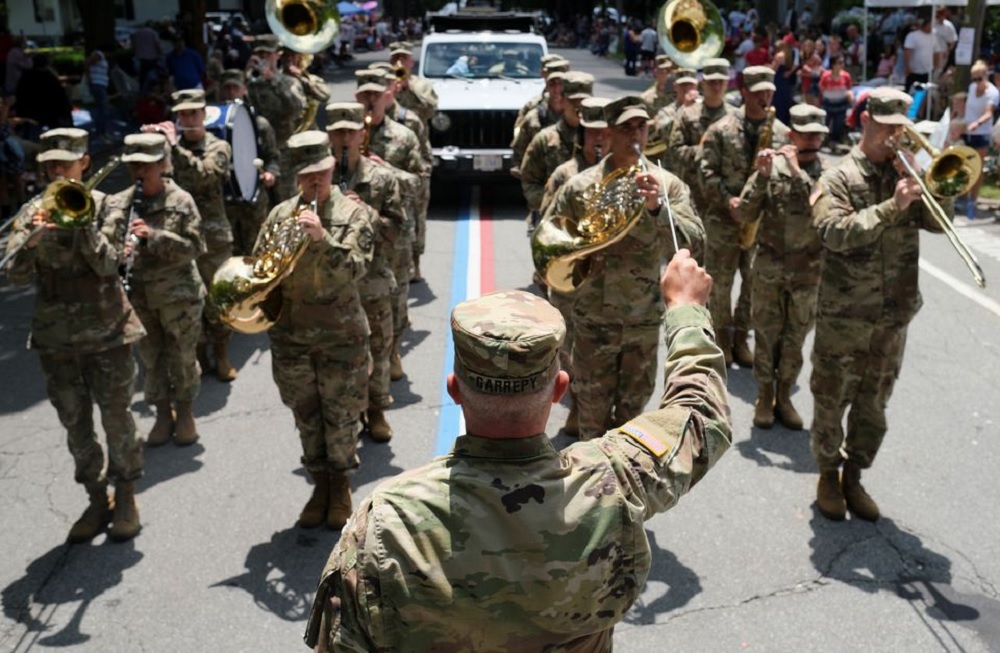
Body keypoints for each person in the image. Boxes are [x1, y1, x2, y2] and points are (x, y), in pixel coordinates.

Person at [304, 253, 732, 651]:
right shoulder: (614, 483)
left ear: (454, 390)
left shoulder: (384, 524)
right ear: (559, 390)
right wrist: (684, 307)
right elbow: (701, 413)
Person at [810, 87, 952, 522]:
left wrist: (938, 183)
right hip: (845, 317)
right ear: (867, 121)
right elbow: (833, 232)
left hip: (893, 316)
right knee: (832, 401)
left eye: (902, 128)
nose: (896, 135)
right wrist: (893, 206)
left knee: (874, 404)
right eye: (888, 125)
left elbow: (937, 224)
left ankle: (855, 474)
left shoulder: (904, 173)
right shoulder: (837, 178)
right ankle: (827, 475)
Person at [4, 128, 146, 542]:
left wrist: (81, 225)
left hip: (108, 334)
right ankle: (96, 496)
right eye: (50, 165)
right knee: (75, 423)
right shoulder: (34, 211)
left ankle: (126, 494)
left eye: (64, 163)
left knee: (117, 419)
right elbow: (14, 275)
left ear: (84, 162)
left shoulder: (110, 204)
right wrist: (33, 240)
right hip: (57, 340)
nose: (56, 171)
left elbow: (108, 265)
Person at [539, 96, 705, 440]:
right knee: (591, 414)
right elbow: (549, 243)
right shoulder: (580, 186)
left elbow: (694, 242)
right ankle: (592, 488)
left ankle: (621, 489)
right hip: (593, 318)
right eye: (625, 127)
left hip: (642, 318)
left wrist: (657, 208)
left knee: (632, 415)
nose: (635, 134)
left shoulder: (668, 185)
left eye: (641, 127)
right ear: (608, 133)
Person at [260, 131, 375, 529]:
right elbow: (262, 272)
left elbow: (358, 268)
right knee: (307, 416)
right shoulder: (279, 216)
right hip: (292, 338)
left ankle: (341, 485)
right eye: (306, 175)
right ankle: (319, 484)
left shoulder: (354, 214)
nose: (314, 182)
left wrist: (323, 239)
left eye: (321, 173)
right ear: (296, 177)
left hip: (341, 338)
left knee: (341, 417)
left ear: (331, 168)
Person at [106, 132, 206, 448]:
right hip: (138, 295)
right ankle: (163, 414)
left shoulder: (180, 200)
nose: (140, 172)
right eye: (134, 165)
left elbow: (195, 247)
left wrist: (154, 236)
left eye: (146, 165)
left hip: (180, 296)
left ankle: (186, 412)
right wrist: (115, 252)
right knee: (151, 358)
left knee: (182, 356)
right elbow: (104, 248)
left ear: (162, 164)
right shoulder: (118, 204)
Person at [735, 104, 827, 429]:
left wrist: (794, 168)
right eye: (806, 134)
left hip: (807, 274)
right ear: (792, 135)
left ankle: (784, 397)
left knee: (795, 339)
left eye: (818, 135)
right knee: (766, 336)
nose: (813, 141)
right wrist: (760, 177)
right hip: (770, 270)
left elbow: (819, 205)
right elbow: (744, 213)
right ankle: (764, 396)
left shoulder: (828, 174)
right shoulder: (770, 169)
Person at [326, 101, 406, 441]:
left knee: (378, 348)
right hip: (332, 285)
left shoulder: (381, 178)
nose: (345, 138)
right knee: (337, 355)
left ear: (363, 133)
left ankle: (376, 411)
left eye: (351, 131)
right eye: (338, 132)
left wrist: (366, 213)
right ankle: (345, 416)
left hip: (372, 281)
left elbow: (397, 232)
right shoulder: (318, 178)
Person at [143, 89, 236, 382]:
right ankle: (198, 356)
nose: (187, 118)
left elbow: (206, 176)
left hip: (214, 235)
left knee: (218, 299)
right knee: (188, 301)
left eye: (193, 113)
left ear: (203, 114)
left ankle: (221, 354)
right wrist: (148, 147)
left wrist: (174, 148)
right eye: (182, 114)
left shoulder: (219, 146)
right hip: (179, 236)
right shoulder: (168, 152)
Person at [701, 65, 790, 367]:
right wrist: (729, 201)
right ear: (744, 92)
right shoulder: (721, 130)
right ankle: (722, 340)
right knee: (721, 286)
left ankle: (741, 338)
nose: (765, 97)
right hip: (723, 221)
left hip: (762, 223)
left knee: (754, 284)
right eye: (758, 91)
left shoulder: (781, 133)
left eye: (769, 91)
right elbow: (706, 172)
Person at [536, 95, 611, 435]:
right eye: (592, 133)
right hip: (571, 281)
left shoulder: (620, 177)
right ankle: (579, 405)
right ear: (582, 134)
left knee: (601, 353)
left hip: (608, 285)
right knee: (570, 352)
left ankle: (586, 408)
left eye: (604, 133)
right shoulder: (565, 175)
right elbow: (547, 227)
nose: (598, 139)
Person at [353, 70, 429, 382]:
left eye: (375, 94)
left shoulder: (403, 135)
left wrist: (388, 171)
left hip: (392, 233)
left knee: (394, 296)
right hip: (352, 234)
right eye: (364, 95)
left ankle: (392, 349)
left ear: (387, 96)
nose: (370, 101)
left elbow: (420, 180)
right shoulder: (343, 136)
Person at [218, 69, 281, 254]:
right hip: (227, 203)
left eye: (235, 87)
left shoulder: (259, 125)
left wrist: (271, 173)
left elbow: (273, 157)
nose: (231, 92)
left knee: (258, 248)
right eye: (227, 88)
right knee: (232, 251)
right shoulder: (215, 125)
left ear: (244, 90)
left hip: (254, 200)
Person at [519, 71, 594, 225]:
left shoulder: (604, 139)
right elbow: (529, 182)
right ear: (562, 100)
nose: (579, 107)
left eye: (584, 102)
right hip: (552, 222)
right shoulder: (545, 139)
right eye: (574, 101)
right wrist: (556, 201)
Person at [246, 34, 306, 202]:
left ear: (277, 55)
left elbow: (296, 109)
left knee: (287, 202)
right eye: (260, 54)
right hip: (258, 153)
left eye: (267, 54)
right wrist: (246, 75)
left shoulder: (288, 82)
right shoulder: (251, 84)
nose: (264, 58)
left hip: (284, 152)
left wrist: (273, 80)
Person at [961, 60, 997, 219]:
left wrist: (978, 123)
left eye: (979, 79)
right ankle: (962, 196)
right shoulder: (971, 88)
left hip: (981, 133)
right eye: (973, 79)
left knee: (977, 167)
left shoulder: (993, 93)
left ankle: (972, 201)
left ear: (985, 76)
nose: (976, 82)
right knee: (965, 165)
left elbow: (989, 113)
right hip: (967, 132)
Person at [818, 53, 854, 150]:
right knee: (824, 123)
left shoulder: (846, 76)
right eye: (839, 63)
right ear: (833, 64)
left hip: (841, 104)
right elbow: (821, 87)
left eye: (843, 62)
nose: (842, 65)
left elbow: (849, 88)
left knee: (838, 124)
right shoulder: (826, 76)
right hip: (828, 103)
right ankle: (821, 141)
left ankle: (834, 142)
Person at [86, 45, 111, 143]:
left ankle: (102, 132)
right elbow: (88, 62)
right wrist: (90, 79)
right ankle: (100, 133)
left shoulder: (102, 57)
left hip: (101, 84)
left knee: (102, 109)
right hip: (98, 83)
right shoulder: (98, 54)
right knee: (102, 109)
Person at [904, 15, 935, 94]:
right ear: (925, 25)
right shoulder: (913, 36)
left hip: (927, 70)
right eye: (929, 25)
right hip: (914, 71)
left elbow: (936, 52)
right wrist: (907, 66)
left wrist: (936, 66)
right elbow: (907, 51)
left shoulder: (934, 36)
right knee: (910, 91)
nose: (931, 27)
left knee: (924, 93)